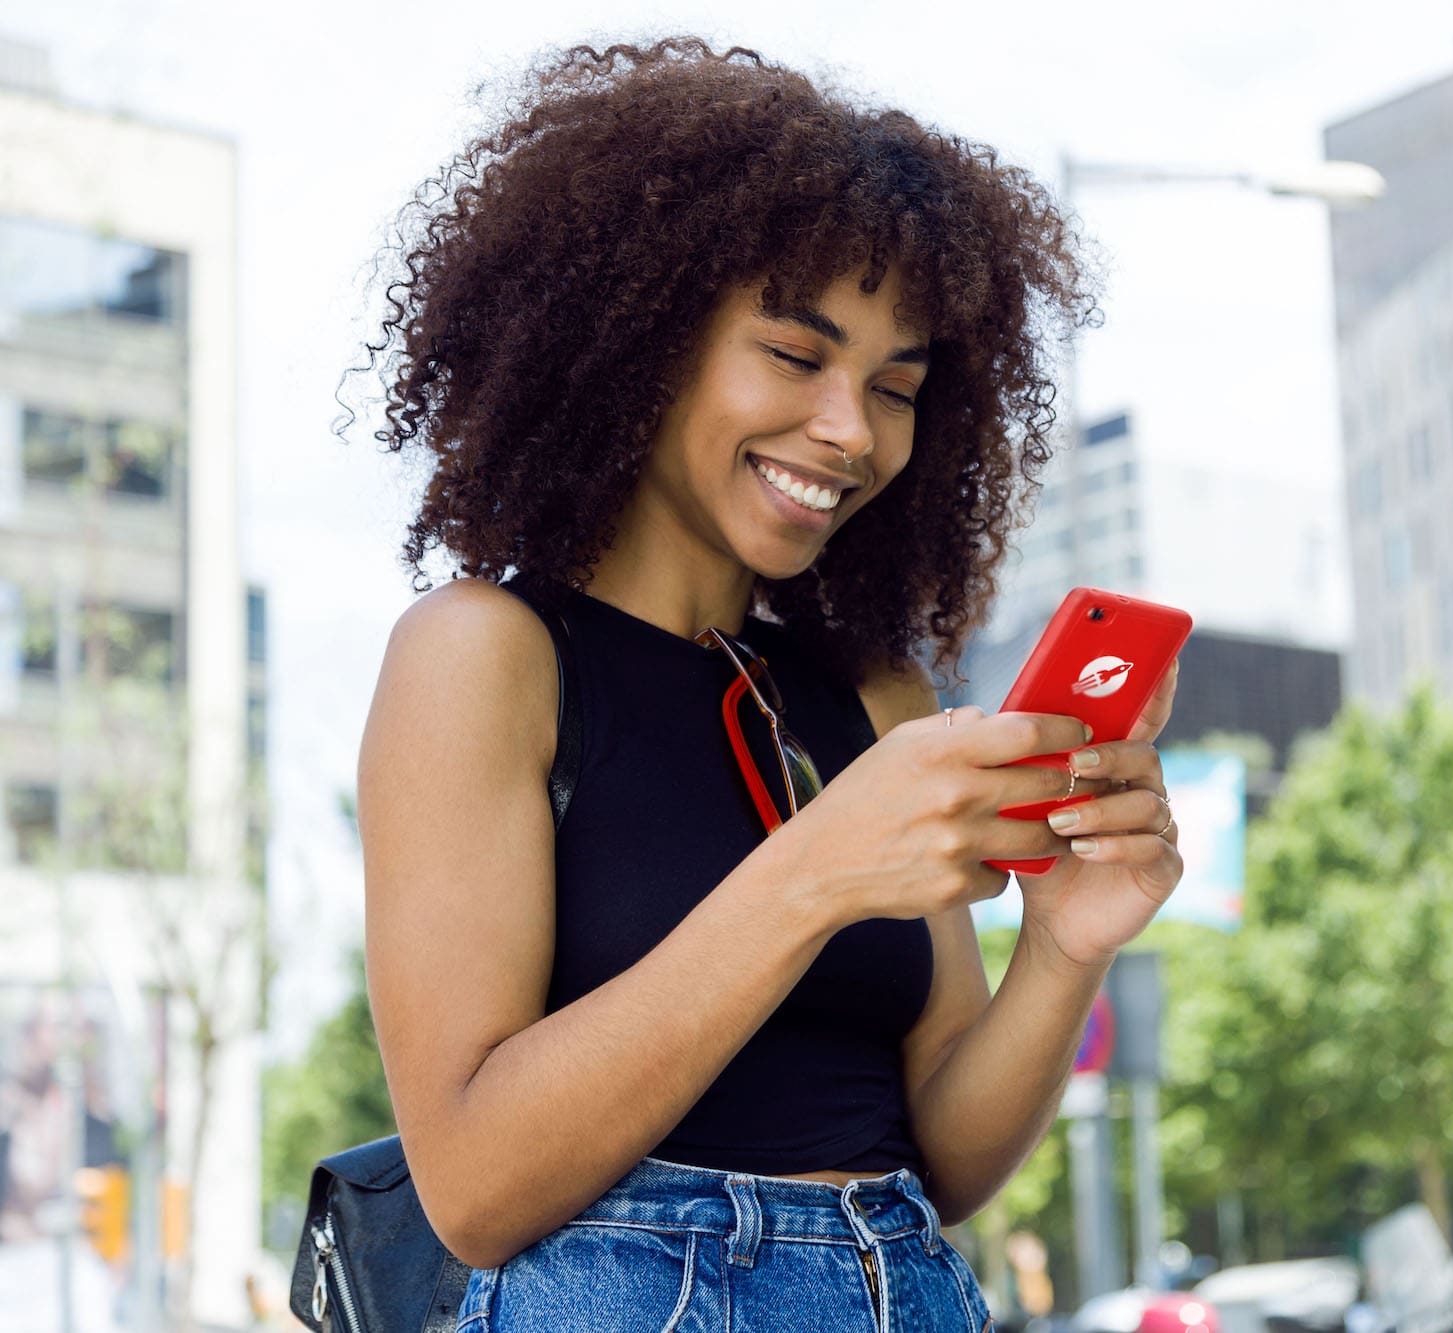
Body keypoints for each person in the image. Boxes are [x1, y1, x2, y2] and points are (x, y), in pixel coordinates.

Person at [352, 36, 1187, 1332]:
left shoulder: (878, 697)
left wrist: (1066, 942)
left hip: (899, 1284)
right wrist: (818, 869)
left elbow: (948, 1159)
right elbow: (471, 1185)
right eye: (797, 357)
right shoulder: (483, 656)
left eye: (896, 386)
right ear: (643, 335)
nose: (852, 429)